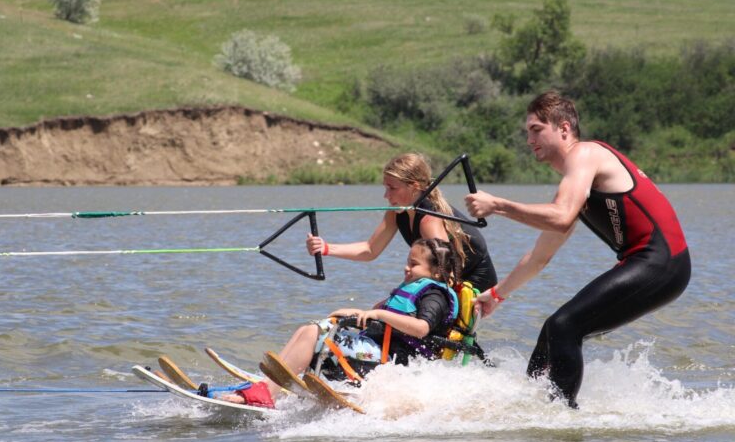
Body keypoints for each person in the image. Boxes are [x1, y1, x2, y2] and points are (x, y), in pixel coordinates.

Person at [464, 90, 691, 409]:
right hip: (649, 264)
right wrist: (498, 294)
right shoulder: (575, 184)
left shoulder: (585, 154)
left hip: (663, 264)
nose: (529, 140)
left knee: (565, 326)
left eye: (536, 129)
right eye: (527, 132)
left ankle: (561, 419)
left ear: (564, 129)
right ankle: (531, 409)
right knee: (552, 330)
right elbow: (540, 256)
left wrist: (498, 205)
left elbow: (560, 218)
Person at [221, 238, 462, 408]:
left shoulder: (435, 295)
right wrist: (359, 312)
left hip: (393, 362)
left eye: (414, 264)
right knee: (308, 329)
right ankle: (269, 385)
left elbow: (421, 328)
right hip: (377, 350)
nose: (406, 268)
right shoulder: (415, 288)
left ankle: (266, 393)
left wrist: (379, 315)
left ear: (438, 272)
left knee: (315, 334)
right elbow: (376, 314)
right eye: (408, 261)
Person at [306, 153, 497, 292]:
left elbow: (445, 272)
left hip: (474, 278)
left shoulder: (429, 220)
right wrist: (325, 248)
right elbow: (370, 250)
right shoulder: (396, 212)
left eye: (392, 188)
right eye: (385, 187)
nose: (386, 195)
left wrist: (399, 299)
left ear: (414, 187)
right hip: (444, 276)